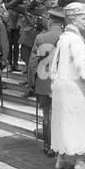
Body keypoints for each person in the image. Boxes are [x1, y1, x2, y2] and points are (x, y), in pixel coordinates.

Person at [50, 2, 85, 169]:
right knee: (78, 123)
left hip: (60, 86)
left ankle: (60, 159)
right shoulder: (76, 41)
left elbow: (53, 67)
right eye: (83, 18)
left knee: (62, 122)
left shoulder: (63, 38)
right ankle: (79, 161)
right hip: (74, 88)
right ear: (73, 19)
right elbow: (82, 67)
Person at [28, 10, 64, 157]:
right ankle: (58, 145)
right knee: (58, 115)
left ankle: (47, 146)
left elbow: (32, 63)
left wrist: (31, 83)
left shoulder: (40, 37)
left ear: (50, 22)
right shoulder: (67, 37)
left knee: (46, 115)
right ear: (62, 23)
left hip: (43, 82)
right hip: (61, 81)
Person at [5, 0, 23, 72]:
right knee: (9, 45)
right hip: (10, 23)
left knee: (16, 45)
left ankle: (15, 64)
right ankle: (9, 64)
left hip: (18, 22)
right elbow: (6, 4)